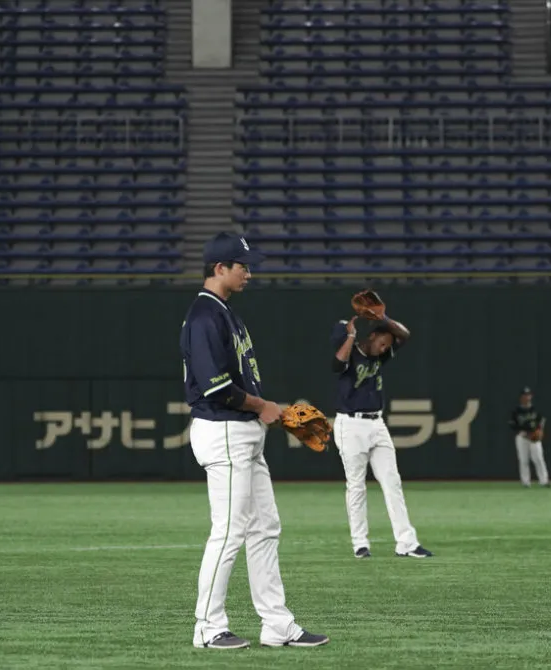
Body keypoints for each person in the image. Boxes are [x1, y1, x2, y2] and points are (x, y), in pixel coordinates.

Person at [180, 231, 329, 650]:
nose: (249, 272)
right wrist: (263, 406)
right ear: (219, 268)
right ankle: (208, 627)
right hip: (224, 429)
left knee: (265, 527)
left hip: (243, 431)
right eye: (242, 266)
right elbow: (216, 388)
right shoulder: (204, 316)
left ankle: (277, 624)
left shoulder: (226, 313)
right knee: (229, 531)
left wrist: (270, 412)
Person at [330, 312, 433, 559]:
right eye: (382, 343)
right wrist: (351, 336)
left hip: (377, 424)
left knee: (392, 481)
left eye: (387, 345)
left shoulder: (381, 355)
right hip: (350, 425)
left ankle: (406, 543)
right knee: (356, 485)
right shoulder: (351, 350)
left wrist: (383, 317)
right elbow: (337, 365)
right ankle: (360, 543)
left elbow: (404, 335)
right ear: (372, 336)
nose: (384, 348)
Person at [508, 387, 550, 488]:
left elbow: (542, 420)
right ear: (521, 397)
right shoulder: (516, 411)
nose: (527, 397)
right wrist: (524, 433)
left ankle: (544, 481)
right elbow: (512, 425)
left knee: (538, 459)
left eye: (528, 395)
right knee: (524, 460)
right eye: (525, 395)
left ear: (531, 396)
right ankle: (526, 482)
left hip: (534, 437)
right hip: (522, 437)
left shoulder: (536, 409)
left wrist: (540, 430)